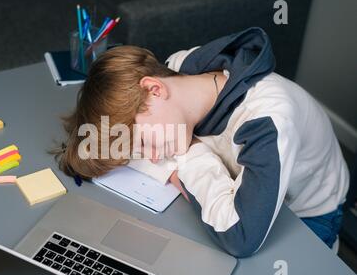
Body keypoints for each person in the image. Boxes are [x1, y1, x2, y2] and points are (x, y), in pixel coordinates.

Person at [53, 27, 349, 257]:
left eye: (145, 141)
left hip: (303, 214)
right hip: (246, 185)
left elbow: (241, 236)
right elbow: (111, 145)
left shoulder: (267, 122)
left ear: (154, 90)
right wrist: (177, 163)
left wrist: (192, 152)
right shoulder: (176, 72)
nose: (153, 157)